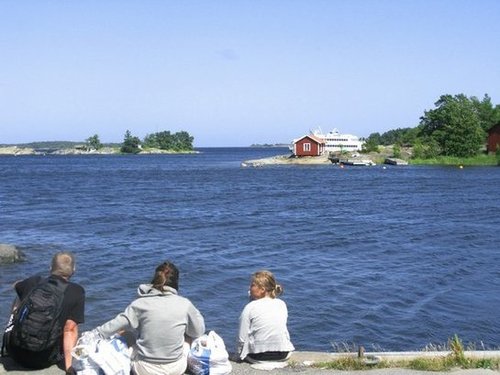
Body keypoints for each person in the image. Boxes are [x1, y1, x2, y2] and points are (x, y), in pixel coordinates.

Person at [94, 261, 205, 375]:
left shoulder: (140, 303)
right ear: (176, 282)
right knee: (188, 336)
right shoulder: (185, 304)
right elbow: (198, 332)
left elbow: (113, 326)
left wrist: (95, 333)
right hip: (176, 368)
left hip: (144, 370)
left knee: (124, 333)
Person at [7, 251, 85, 372]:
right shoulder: (77, 292)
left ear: (50, 268)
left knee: (20, 296)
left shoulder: (34, 281)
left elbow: (16, 286)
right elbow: (70, 330)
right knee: (72, 327)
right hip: (44, 360)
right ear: (73, 269)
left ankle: (10, 330)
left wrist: (21, 284)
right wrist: (69, 367)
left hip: (15, 352)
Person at [237, 270, 294, 362]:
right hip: (283, 354)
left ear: (262, 289)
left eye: (252, 285)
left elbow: (242, 337)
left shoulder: (250, 307)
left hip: (258, 356)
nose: (249, 288)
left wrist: (240, 354)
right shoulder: (281, 304)